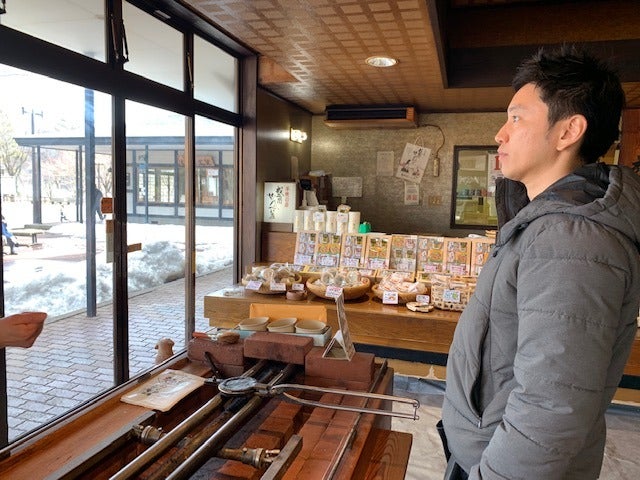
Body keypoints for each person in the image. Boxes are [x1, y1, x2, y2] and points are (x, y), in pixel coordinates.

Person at [440, 45, 640, 479]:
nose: (500, 134)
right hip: (486, 449)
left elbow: (552, 407)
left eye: (516, 118)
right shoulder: (545, 223)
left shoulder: (572, 238)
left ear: (568, 131)